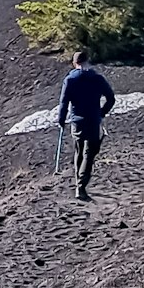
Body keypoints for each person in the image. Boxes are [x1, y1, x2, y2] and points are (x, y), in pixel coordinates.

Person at [56, 51, 115, 200]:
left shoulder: (70, 79)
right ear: (87, 61)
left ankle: (78, 183)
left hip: (77, 121)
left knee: (79, 150)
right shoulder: (97, 78)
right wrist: (102, 112)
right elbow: (111, 99)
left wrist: (61, 120)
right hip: (93, 120)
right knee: (89, 154)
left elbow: (64, 102)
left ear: (75, 63)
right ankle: (81, 186)